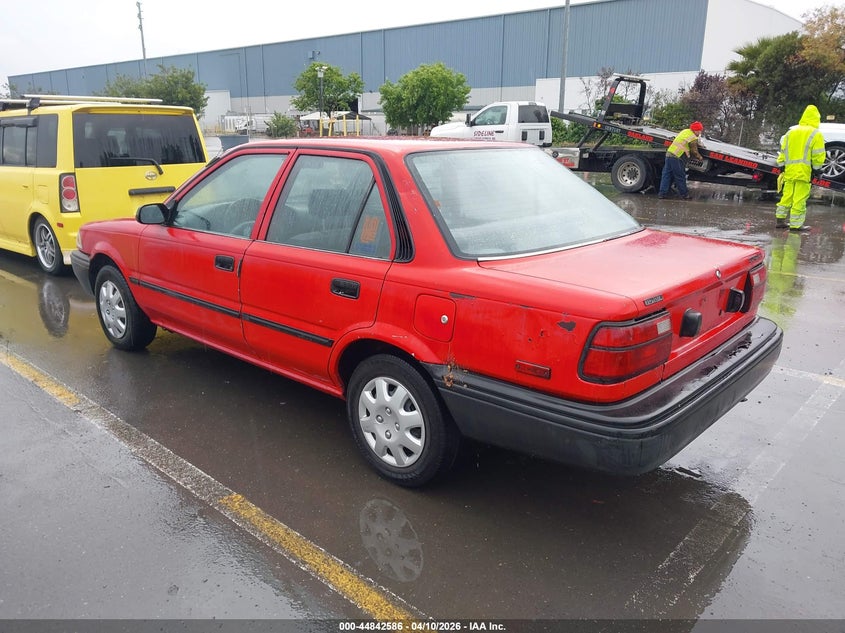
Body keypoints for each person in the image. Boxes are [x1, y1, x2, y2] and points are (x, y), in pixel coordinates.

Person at [775, 104, 826, 231]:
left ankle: (780, 221)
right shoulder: (816, 134)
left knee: (787, 196)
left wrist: (781, 166)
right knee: (799, 199)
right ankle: (796, 225)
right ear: (816, 119)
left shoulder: (790, 133)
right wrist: (817, 170)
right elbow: (818, 155)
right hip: (803, 173)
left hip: (789, 172)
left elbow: (783, 151)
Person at [658, 121, 704, 199]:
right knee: (680, 176)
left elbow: (687, 141)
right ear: (695, 130)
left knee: (667, 175)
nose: (700, 132)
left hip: (669, 154)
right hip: (677, 157)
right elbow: (694, 151)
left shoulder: (685, 131)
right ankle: (685, 195)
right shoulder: (693, 137)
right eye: (699, 130)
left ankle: (662, 193)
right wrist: (700, 158)